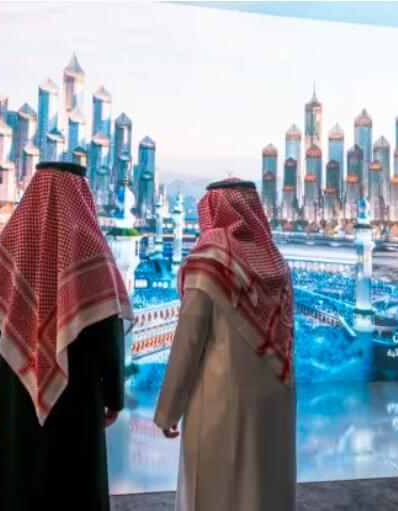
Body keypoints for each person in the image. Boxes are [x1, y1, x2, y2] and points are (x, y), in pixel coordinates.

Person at [0, 161, 133, 511]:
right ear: (81, 195)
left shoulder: (10, 246)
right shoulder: (92, 249)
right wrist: (114, 396)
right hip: (78, 393)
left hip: (17, 389)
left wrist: (3, 379)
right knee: (74, 484)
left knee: (17, 479)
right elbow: (109, 331)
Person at [154, 178, 295, 511]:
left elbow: (189, 341)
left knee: (217, 492)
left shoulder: (209, 260)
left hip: (221, 402)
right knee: (264, 489)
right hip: (273, 400)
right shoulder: (275, 262)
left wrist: (168, 411)